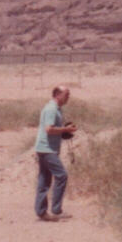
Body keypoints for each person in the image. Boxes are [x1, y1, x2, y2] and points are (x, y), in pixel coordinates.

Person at [34, 86, 77, 221]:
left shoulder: (55, 109)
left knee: (44, 180)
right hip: (47, 149)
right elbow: (49, 129)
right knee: (61, 175)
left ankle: (41, 212)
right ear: (58, 95)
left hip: (44, 148)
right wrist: (65, 129)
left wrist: (64, 132)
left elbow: (52, 129)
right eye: (66, 94)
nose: (68, 97)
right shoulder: (52, 109)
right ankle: (56, 211)